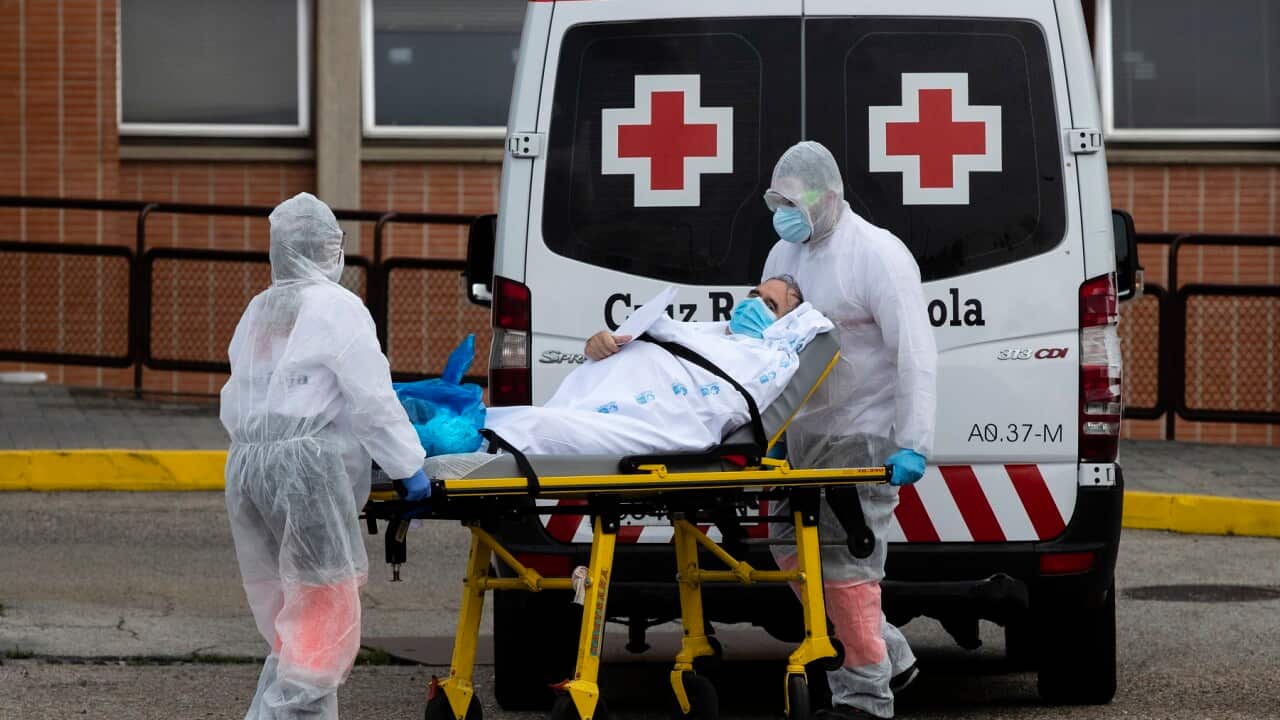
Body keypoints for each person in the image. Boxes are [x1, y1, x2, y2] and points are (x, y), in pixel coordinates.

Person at [220, 192, 431, 719]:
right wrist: (408, 467)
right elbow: (373, 401)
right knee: (321, 619)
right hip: (306, 475)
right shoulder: (337, 307)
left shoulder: (260, 309)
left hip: (249, 470)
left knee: (292, 619)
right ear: (325, 248)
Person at [762, 142, 938, 720]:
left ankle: (863, 697)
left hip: (862, 433)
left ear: (827, 196)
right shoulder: (783, 255)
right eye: (778, 203)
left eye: (794, 203)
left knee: (844, 569)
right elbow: (770, 346)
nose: (785, 215)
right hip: (801, 436)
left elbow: (914, 354)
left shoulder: (877, 254)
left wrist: (913, 442)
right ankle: (892, 656)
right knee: (789, 550)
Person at [485, 276, 829, 456]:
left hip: (655, 422)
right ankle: (478, 438)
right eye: (754, 294)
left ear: (784, 324)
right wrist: (598, 344)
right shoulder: (706, 333)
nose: (754, 304)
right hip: (597, 403)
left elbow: (714, 402)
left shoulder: (765, 361)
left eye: (770, 304)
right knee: (525, 421)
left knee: (533, 427)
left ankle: (479, 442)